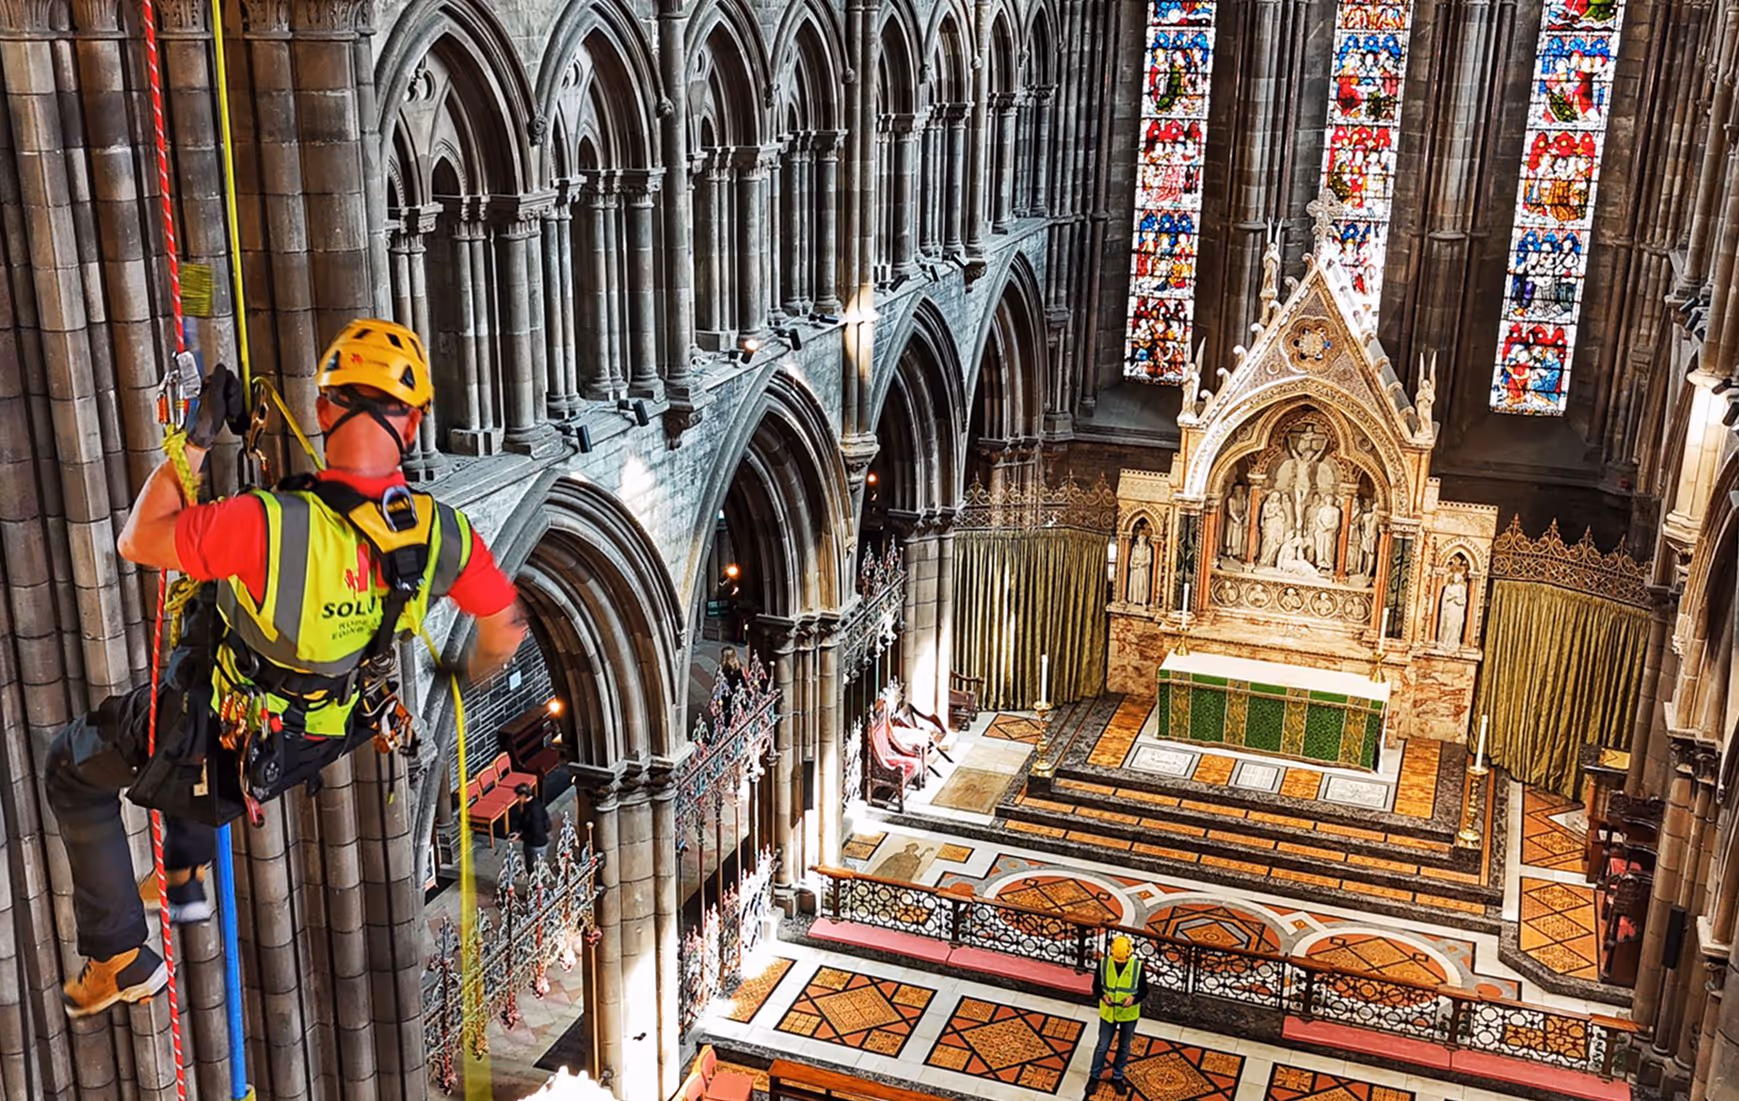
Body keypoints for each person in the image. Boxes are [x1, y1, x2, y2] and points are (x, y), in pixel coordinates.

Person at [47, 319, 527, 1017]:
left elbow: (137, 539)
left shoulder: (264, 523)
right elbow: (503, 633)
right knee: (195, 662)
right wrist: (457, 675)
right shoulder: (442, 529)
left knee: (73, 764)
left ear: (323, 411)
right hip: (324, 735)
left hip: (227, 739)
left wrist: (198, 438)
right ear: (415, 425)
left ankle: (120, 954)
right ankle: (183, 870)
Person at [1086, 934, 1147, 1096]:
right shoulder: (1104, 964)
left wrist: (1133, 999)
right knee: (1102, 1046)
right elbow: (1096, 986)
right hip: (1108, 1012)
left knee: (1124, 1047)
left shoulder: (1137, 967)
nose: (1120, 964)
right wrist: (1102, 996)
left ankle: (1117, 1076)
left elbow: (1143, 991)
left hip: (1128, 1014)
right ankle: (1094, 1077)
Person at [509, 784, 551, 871]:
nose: (517, 798)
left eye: (518, 796)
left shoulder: (532, 810)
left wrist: (521, 837)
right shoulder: (536, 803)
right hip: (542, 840)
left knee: (532, 868)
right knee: (539, 867)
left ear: (523, 796)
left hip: (535, 844)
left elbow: (535, 830)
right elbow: (546, 824)